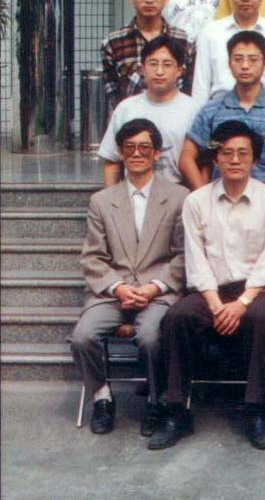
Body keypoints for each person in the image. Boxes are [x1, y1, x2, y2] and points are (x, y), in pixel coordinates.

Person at [150, 121, 265, 451]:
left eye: (243, 153)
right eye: (227, 153)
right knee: (177, 318)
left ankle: (255, 410)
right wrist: (215, 304)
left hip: (257, 291)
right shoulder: (197, 201)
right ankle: (177, 411)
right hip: (210, 290)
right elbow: (195, 258)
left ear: (255, 159)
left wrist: (242, 303)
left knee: (263, 319)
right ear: (215, 158)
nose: (235, 160)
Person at [70, 119, 188, 436]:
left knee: (150, 336)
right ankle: (102, 397)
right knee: (82, 337)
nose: (137, 154)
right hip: (113, 292)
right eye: (129, 148)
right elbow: (92, 256)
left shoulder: (179, 197)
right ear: (121, 153)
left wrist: (153, 288)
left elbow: (183, 254)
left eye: (144, 147)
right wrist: (119, 287)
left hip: (158, 291)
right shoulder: (102, 201)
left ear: (157, 153)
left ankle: (155, 400)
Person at [180, 31, 265, 194]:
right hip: (222, 200)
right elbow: (187, 157)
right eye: (238, 59)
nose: (245, 65)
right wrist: (203, 197)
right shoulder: (212, 110)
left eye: (253, 59)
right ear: (229, 64)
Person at [98, 36, 200, 187]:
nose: (159, 71)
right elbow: (112, 161)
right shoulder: (126, 108)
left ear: (180, 70)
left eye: (167, 65)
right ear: (142, 69)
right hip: (134, 192)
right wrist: (112, 197)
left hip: (180, 192)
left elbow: (203, 162)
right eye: (153, 64)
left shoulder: (194, 110)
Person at [101, 0, 193, 108]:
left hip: (176, 116)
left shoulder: (184, 40)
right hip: (131, 118)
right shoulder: (113, 42)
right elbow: (112, 92)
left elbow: (190, 86)